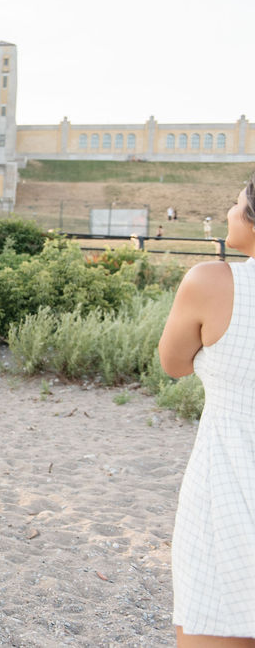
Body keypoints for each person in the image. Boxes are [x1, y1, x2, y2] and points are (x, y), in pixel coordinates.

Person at [158, 175, 255, 646]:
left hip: (230, 492)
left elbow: (173, 363)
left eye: (238, 205)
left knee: (213, 619)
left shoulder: (213, 281)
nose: (232, 213)